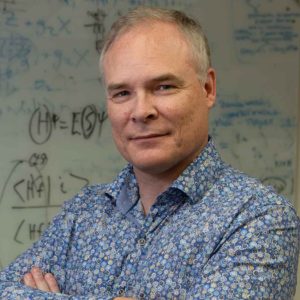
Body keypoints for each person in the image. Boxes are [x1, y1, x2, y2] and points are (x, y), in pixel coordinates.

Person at [0, 6, 299, 300]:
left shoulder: (259, 219)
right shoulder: (80, 216)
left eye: (164, 87)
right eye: (122, 93)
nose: (141, 111)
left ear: (207, 88)